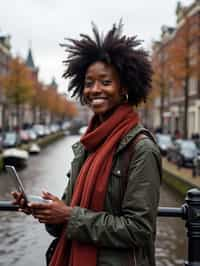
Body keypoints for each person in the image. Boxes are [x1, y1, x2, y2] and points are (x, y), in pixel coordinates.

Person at [12, 21, 162, 266]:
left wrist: (69, 215)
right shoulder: (87, 146)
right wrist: (46, 211)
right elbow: (66, 222)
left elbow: (139, 230)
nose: (95, 89)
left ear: (124, 87)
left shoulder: (141, 148)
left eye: (105, 82)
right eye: (89, 83)